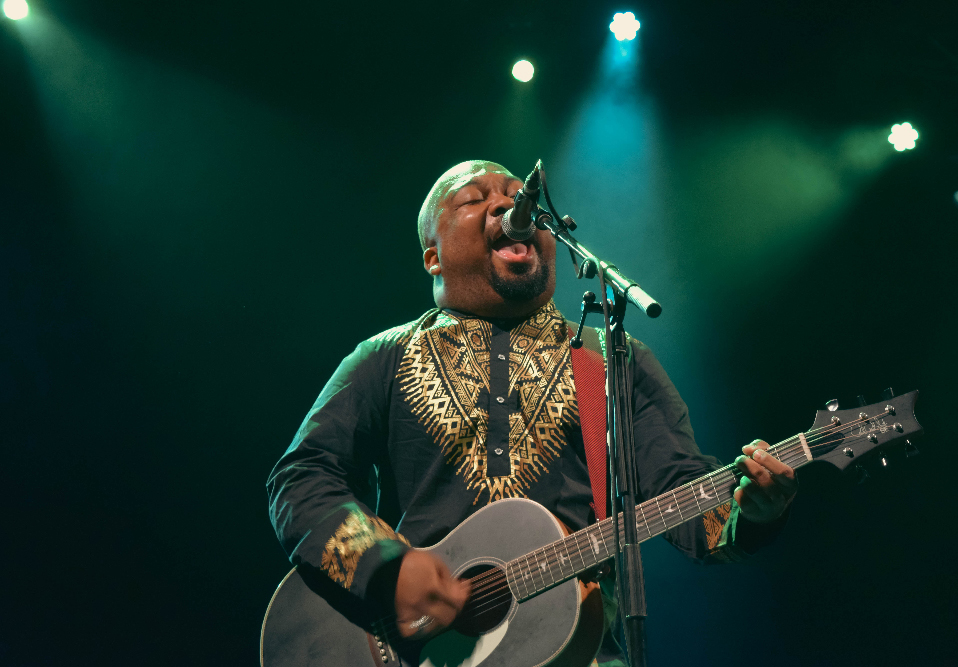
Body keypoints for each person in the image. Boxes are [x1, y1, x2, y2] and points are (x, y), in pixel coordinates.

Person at [266, 160, 798, 665]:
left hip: (580, 650)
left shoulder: (611, 358)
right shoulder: (384, 356)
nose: (506, 203)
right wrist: (386, 569)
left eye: (517, 195)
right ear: (433, 256)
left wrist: (750, 511)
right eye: (476, 199)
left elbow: (682, 494)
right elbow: (302, 478)